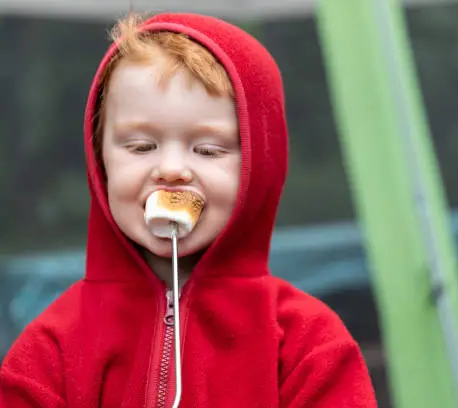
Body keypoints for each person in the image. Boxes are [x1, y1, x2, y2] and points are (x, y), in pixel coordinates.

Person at [0, 11, 378, 407]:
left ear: (260, 165)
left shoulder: (307, 342)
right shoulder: (51, 348)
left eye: (207, 150)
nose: (172, 170)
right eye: (141, 147)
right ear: (100, 162)